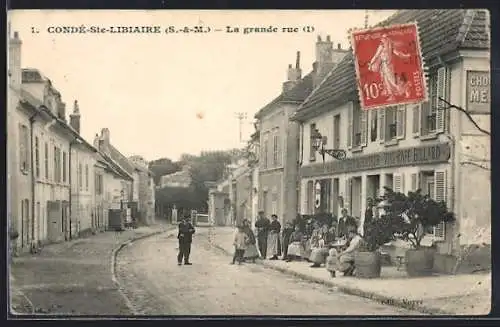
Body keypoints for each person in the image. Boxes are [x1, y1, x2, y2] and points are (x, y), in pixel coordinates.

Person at [368, 33, 411, 101]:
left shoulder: (388, 46)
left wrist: (406, 56)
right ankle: (392, 95)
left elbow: (398, 53)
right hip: (384, 65)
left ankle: (405, 88)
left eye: (384, 39)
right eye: (384, 39)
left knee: (392, 80)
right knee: (386, 81)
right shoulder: (384, 46)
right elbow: (376, 56)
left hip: (388, 66)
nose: (383, 40)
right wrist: (371, 63)